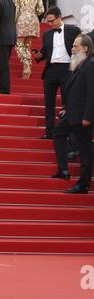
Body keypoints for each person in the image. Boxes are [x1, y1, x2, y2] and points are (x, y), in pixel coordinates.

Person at [51, 34, 94, 194]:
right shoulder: (79, 64)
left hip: (83, 117)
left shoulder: (91, 65)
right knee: (58, 133)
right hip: (72, 113)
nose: (72, 48)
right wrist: (66, 107)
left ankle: (83, 185)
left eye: (76, 46)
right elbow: (74, 90)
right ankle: (63, 170)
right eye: (73, 46)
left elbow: (91, 93)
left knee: (85, 150)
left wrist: (88, 116)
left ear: (85, 48)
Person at [34, 6, 81, 139]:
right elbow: (45, 52)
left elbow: (81, 48)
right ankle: (49, 132)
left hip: (68, 69)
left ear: (60, 17)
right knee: (49, 102)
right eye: (47, 21)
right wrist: (39, 55)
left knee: (68, 102)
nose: (49, 24)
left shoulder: (74, 30)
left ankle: (68, 133)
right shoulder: (47, 34)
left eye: (52, 21)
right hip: (51, 70)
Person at [14, 0, 45, 79]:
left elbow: (16, 9)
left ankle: (25, 63)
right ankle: (28, 66)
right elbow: (41, 10)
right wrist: (32, 12)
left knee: (19, 44)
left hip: (22, 19)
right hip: (33, 19)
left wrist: (14, 21)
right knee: (27, 45)